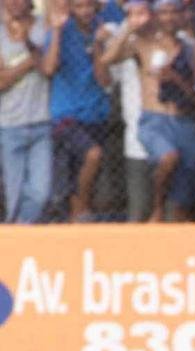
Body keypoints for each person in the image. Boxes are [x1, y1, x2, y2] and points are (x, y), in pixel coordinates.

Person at [100, 0, 195, 221]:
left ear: (182, 15)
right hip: (154, 119)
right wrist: (128, 26)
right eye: (163, 13)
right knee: (168, 157)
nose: (168, 18)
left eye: (173, 13)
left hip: (183, 121)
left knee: (181, 203)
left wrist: (175, 79)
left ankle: (170, 221)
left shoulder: (191, 47)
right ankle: (157, 206)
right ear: (155, 16)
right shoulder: (142, 43)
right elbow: (107, 58)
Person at [44, 0, 113, 222]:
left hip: (96, 112)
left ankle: (77, 214)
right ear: (71, 9)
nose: (85, 11)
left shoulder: (103, 30)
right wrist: (55, 31)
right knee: (93, 155)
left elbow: (104, 80)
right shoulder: (62, 30)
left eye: (88, 6)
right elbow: (49, 68)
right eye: (79, 6)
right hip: (66, 114)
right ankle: (79, 206)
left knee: (81, 171)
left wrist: (99, 46)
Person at [0, 0, 52, 224]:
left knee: (41, 192)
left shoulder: (44, 27)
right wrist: (31, 60)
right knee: (14, 194)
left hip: (42, 121)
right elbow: (1, 82)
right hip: (9, 124)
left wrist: (29, 46)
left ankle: (19, 230)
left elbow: (49, 68)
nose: (14, 3)